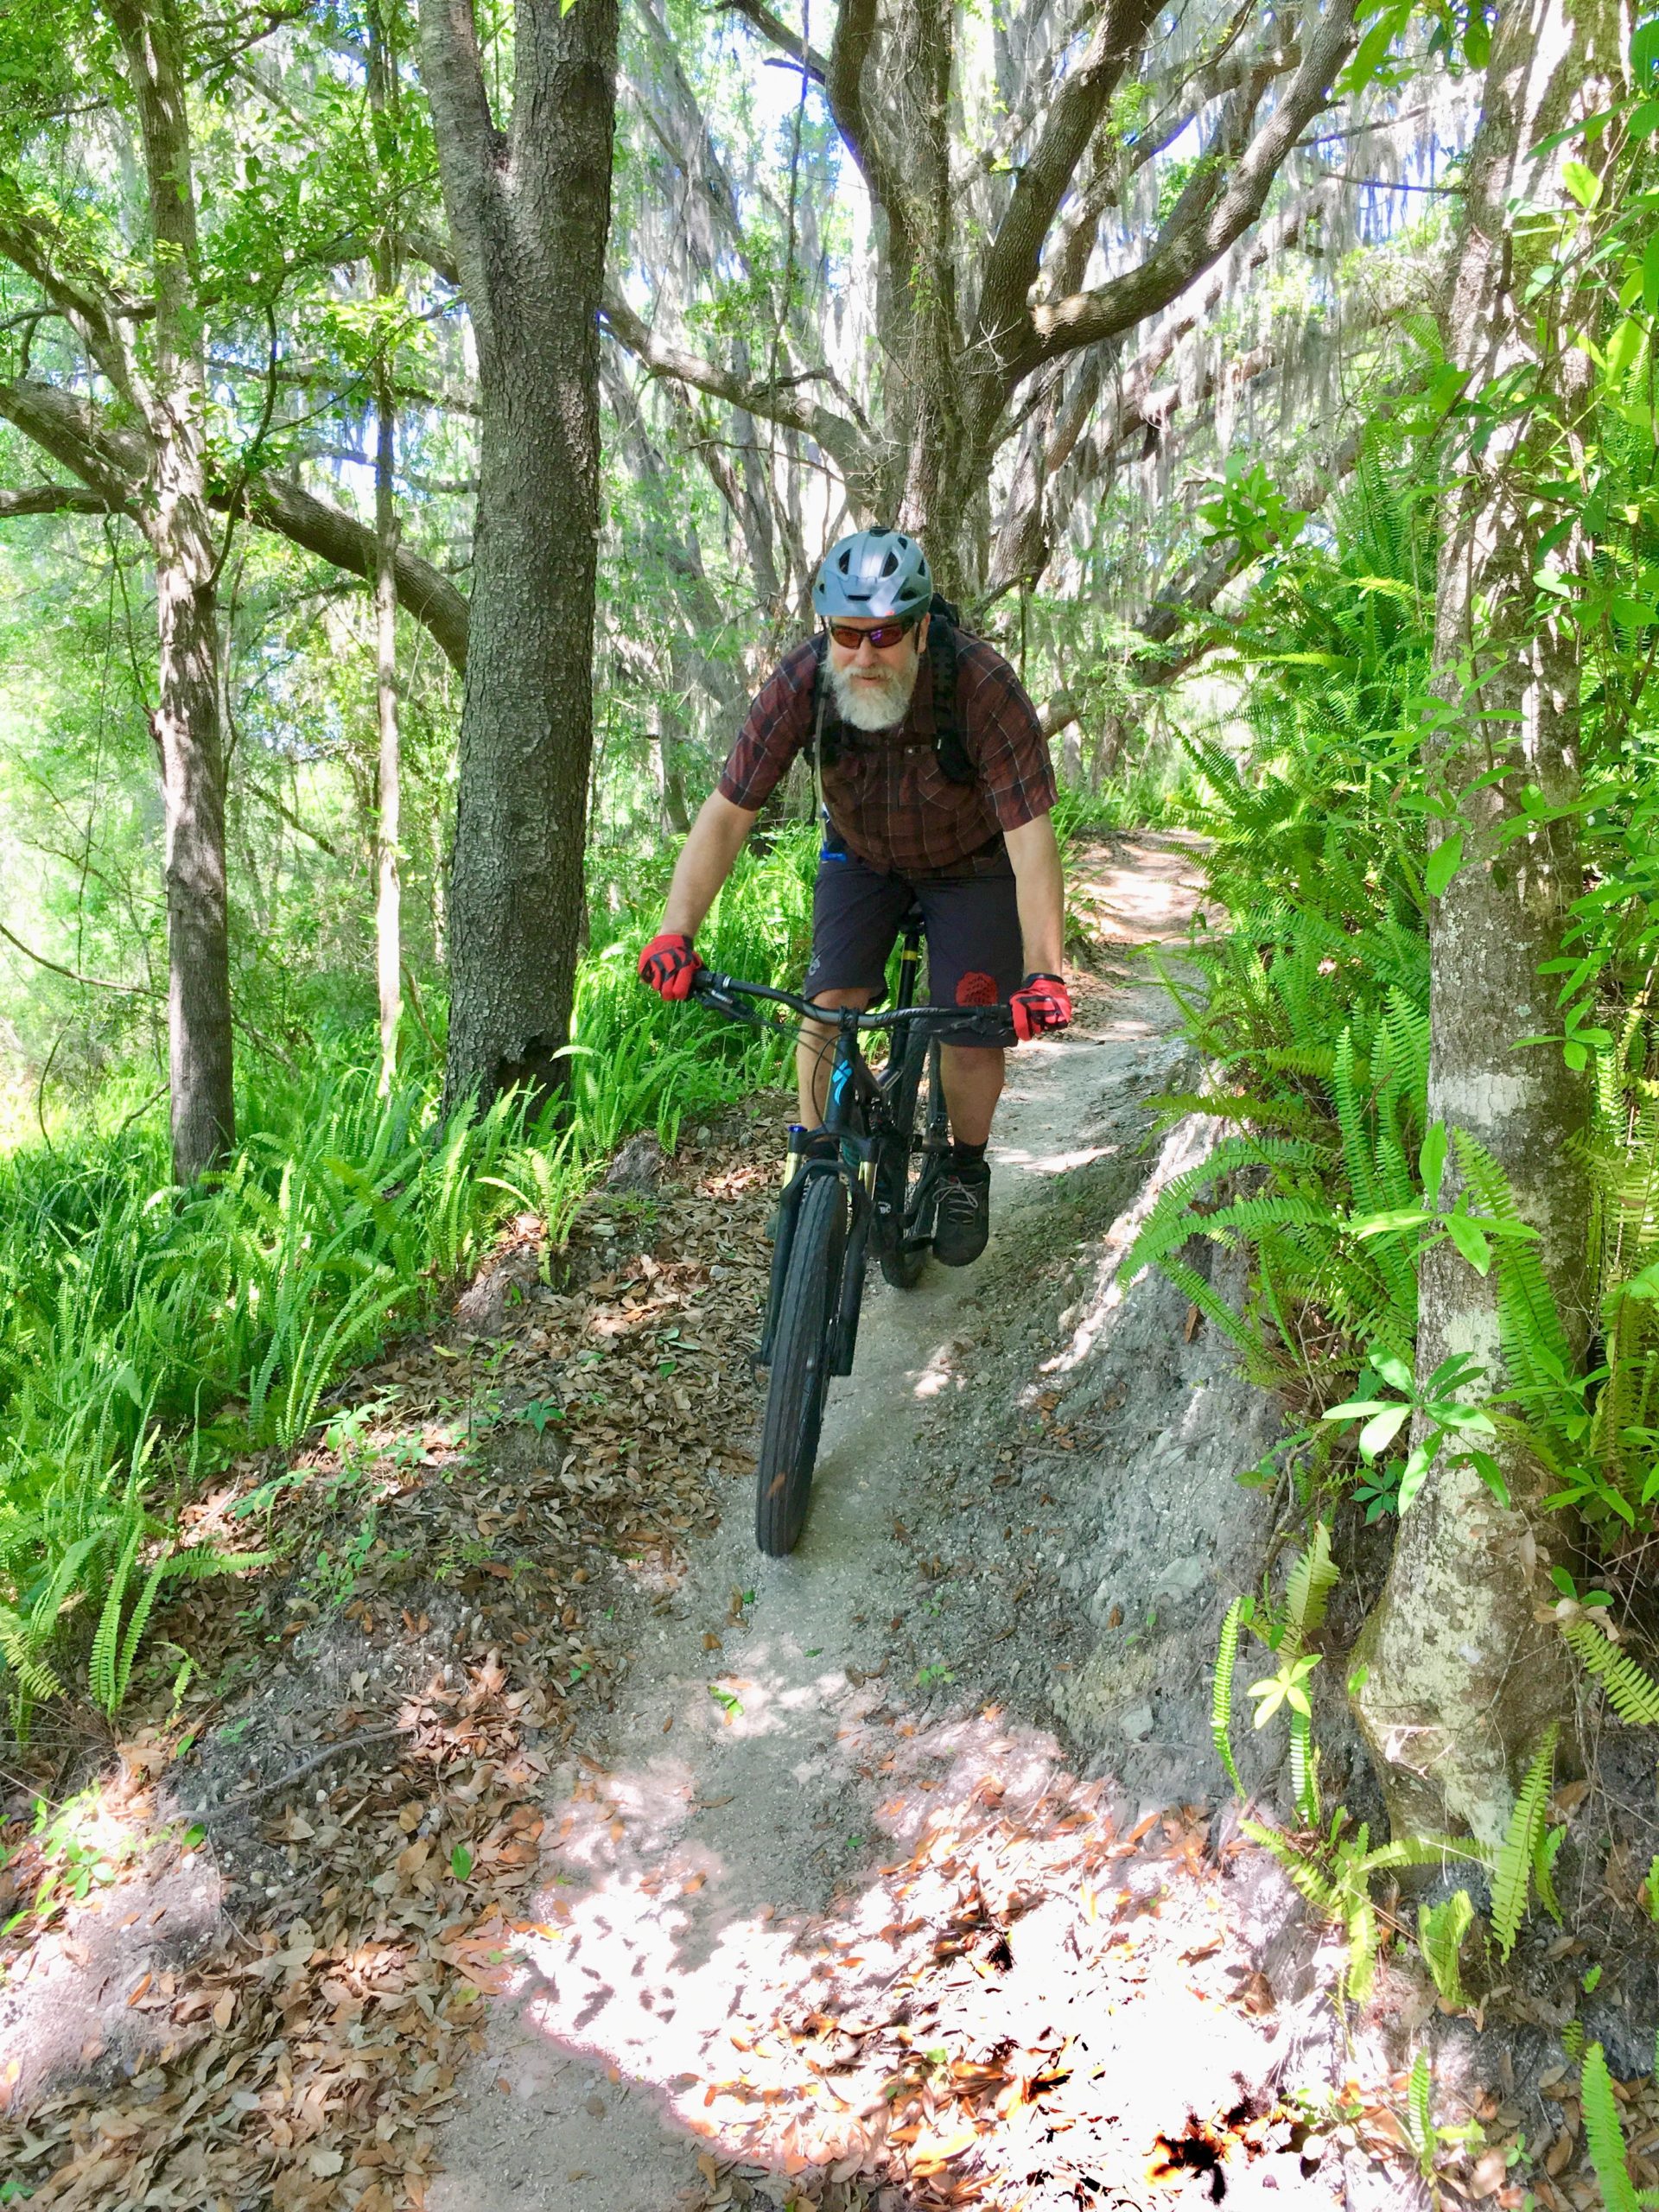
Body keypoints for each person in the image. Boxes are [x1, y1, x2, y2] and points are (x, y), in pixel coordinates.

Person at [638, 526, 1071, 1267]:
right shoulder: (804, 681)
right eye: (847, 633)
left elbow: (1030, 840)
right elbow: (727, 813)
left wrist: (1044, 972)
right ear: (826, 630)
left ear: (921, 628)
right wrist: (676, 931)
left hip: (971, 863)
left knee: (969, 1024)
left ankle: (964, 1166)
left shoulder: (981, 684)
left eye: (885, 634)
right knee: (827, 1006)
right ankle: (814, 1169)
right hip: (861, 856)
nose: (864, 655)